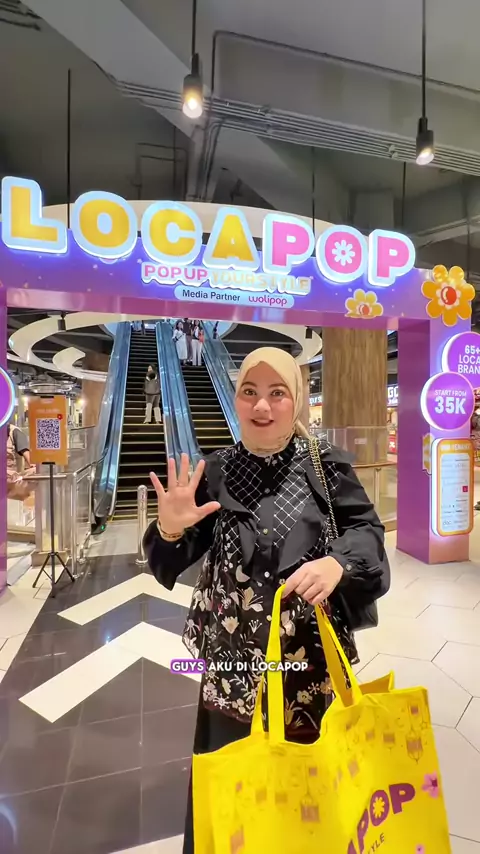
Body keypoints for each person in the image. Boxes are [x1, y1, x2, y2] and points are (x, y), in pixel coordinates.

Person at [143, 347, 390, 854]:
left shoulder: (325, 466)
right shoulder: (216, 472)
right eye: (249, 392)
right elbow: (170, 559)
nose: (262, 406)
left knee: (308, 789)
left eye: (277, 393)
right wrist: (168, 528)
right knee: (234, 790)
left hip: (306, 668)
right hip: (233, 672)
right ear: (236, 400)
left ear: (296, 399)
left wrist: (338, 563)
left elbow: (368, 532)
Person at [7, 422, 35, 499]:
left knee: (35, 471)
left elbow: (26, 454)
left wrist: (32, 465)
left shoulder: (14, 432)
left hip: (12, 477)